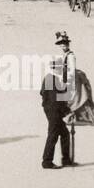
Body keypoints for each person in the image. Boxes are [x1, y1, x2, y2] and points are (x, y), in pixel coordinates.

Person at [40, 33, 77, 169]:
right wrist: (67, 112)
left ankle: (66, 159)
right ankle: (47, 161)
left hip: (49, 110)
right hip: (54, 112)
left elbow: (42, 93)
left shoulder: (48, 78)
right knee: (53, 135)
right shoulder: (57, 82)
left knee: (65, 134)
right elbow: (59, 102)